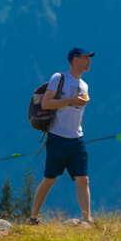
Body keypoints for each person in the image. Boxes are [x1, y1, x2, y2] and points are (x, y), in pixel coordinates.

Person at [29, 47, 95, 225]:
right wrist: (70, 101)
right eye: (85, 58)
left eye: (89, 58)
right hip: (57, 137)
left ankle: (86, 218)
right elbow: (46, 103)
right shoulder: (59, 78)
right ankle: (33, 217)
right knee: (50, 178)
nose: (89, 61)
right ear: (75, 59)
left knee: (83, 178)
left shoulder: (84, 85)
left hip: (77, 137)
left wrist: (80, 102)